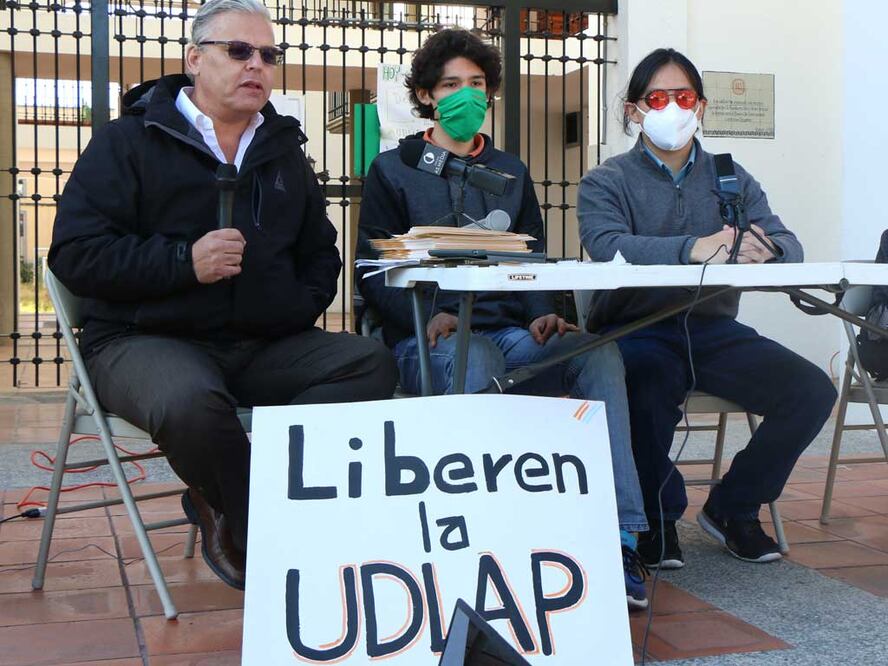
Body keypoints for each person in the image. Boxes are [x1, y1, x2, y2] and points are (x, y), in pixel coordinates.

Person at [48, 0, 398, 590]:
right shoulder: (127, 142)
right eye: (238, 50)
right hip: (141, 340)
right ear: (194, 59)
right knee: (190, 402)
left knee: (369, 363)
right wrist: (184, 263)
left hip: (260, 343)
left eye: (268, 54)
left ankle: (238, 493)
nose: (256, 64)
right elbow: (76, 255)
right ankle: (259, 523)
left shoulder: (283, 152)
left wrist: (291, 308)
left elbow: (321, 254)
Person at [356, 28, 651, 610]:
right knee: (478, 358)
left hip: (513, 334)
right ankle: (483, 538)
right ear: (425, 95)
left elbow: (532, 255)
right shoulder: (393, 169)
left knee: (597, 353)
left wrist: (542, 313)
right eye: (450, 85)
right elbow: (372, 271)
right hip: (428, 339)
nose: (465, 95)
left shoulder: (511, 171)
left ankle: (619, 535)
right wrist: (428, 315)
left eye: (475, 83)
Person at [577, 47, 837, 567]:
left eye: (684, 96)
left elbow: (787, 242)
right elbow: (606, 244)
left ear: (701, 106)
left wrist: (770, 250)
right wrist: (693, 247)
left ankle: (733, 506)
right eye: (657, 98)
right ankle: (656, 518)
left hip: (713, 330)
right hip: (636, 328)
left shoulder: (730, 177)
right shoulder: (606, 180)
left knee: (810, 390)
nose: (673, 108)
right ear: (633, 110)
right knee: (645, 384)